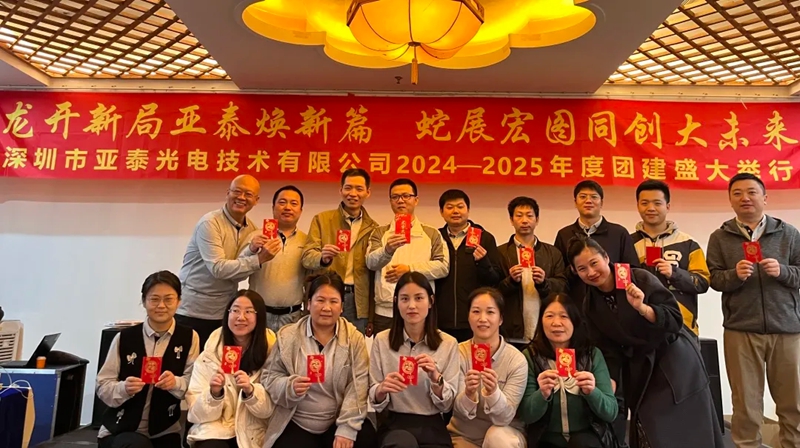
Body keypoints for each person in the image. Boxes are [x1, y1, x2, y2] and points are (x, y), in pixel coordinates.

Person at [567, 237, 723, 448]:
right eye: (582, 269)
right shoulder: (590, 304)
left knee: (686, 425)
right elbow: (607, 349)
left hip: (673, 357)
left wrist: (643, 308)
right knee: (649, 424)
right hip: (640, 364)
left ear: (606, 258)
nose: (591, 272)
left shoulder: (639, 278)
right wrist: (610, 380)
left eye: (594, 263)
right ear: (575, 271)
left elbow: (674, 319)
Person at [706, 173, 800, 448]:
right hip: (740, 329)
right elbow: (714, 279)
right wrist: (734, 275)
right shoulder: (720, 237)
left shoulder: (788, 233)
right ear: (730, 200)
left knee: (792, 402)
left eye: (751, 192)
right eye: (737, 193)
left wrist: (782, 271)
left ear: (765, 198)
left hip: (787, 329)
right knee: (746, 404)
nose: (745, 198)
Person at [262, 272, 376, 448]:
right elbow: (269, 377)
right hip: (296, 419)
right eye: (320, 300)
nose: (326, 308)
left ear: (342, 307)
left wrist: (346, 428)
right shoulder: (288, 336)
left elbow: (358, 385)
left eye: (333, 301)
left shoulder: (354, 339)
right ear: (308, 303)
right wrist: (289, 386)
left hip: (336, 419)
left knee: (366, 437)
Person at [96, 271, 200, 448]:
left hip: (165, 430)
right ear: (144, 301)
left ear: (179, 301)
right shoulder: (125, 337)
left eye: (168, 299)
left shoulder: (190, 337)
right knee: (136, 445)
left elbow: (195, 384)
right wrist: (124, 388)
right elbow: (102, 385)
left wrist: (175, 383)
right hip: (121, 429)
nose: (161, 306)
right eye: (154, 299)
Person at [177, 175, 271, 346]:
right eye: (237, 191)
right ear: (228, 193)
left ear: (256, 200)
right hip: (193, 310)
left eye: (248, 194)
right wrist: (257, 259)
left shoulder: (252, 229)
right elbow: (218, 269)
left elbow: (238, 274)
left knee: (223, 361)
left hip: (224, 313)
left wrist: (252, 252)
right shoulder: (210, 223)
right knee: (192, 361)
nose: (241, 197)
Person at [370, 272, 460, 448]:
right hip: (394, 423)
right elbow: (375, 399)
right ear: (396, 302)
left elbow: (448, 405)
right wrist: (381, 389)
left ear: (431, 301)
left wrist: (436, 378)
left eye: (419, 298)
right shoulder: (381, 341)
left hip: (432, 424)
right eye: (405, 299)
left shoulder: (448, 343)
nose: (412, 306)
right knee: (403, 444)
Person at [518, 293, 617, 448]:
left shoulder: (592, 354)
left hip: (587, 437)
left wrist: (592, 392)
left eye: (564, 316)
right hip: (546, 438)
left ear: (575, 321)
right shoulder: (530, 356)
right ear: (541, 321)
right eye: (549, 316)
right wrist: (542, 394)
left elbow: (611, 412)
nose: (556, 323)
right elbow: (526, 415)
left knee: (582, 444)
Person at [186, 290, 277, 448]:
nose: (241, 317)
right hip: (216, 428)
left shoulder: (271, 351)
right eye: (235, 310)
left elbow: (269, 411)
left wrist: (251, 391)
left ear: (260, 317)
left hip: (254, 429)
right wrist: (214, 394)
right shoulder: (210, 354)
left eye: (248, 311)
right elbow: (195, 414)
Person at [302, 168, 379, 335]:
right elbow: (307, 257)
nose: (353, 193)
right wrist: (322, 258)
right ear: (341, 190)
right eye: (348, 188)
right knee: (320, 343)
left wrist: (371, 316)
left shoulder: (374, 228)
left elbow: (374, 275)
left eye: (359, 189)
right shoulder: (322, 220)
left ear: (368, 192)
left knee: (352, 345)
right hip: (326, 294)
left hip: (357, 300)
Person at [367, 178, 449, 335]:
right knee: (385, 350)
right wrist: (387, 250)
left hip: (420, 310)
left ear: (416, 200)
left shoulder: (431, 233)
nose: (401, 201)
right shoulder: (379, 232)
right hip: (386, 311)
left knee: (421, 350)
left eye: (406, 196)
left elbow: (443, 266)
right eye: (395, 197)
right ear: (390, 201)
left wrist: (410, 270)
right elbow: (370, 263)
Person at [448, 288, 527, 448]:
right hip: (464, 435)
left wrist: (493, 393)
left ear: (501, 319)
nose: (482, 319)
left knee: (497, 436)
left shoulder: (516, 360)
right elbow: (457, 411)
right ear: (468, 316)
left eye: (490, 312)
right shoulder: (457, 353)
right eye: (476, 311)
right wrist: (468, 394)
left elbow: (505, 418)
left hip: (505, 434)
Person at [631, 180, 710, 336]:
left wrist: (674, 273)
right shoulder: (627, 243)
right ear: (638, 206)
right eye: (645, 203)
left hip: (682, 327)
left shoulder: (688, 244)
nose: (651, 208)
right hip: (640, 324)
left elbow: (703, 282)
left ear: (667, 206)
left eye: (657, 203)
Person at [554, 180, 639, 304]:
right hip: (576, 304)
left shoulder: (619, 233)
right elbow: (559, 276)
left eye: (594, 197)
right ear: (575, 202)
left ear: (601, 203)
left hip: (613, 303)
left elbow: (631, 269)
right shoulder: (564, 234)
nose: (588, 201)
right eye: (583, 197)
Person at [497, 196, 568, 342]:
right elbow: (493, 291)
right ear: (511, 220)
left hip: (545, 328)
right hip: (511, 330)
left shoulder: (553, 253)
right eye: (519, 216)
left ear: (537, 219)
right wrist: (510, 281)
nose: (524, 220)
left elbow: (563, 286)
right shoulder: (500, 253)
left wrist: (544, 282)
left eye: (529, 216)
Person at [436, 189, 503, 342]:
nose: (455, 211)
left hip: (475, 319)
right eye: (450, 207)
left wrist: (483, 262)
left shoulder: (484, 238)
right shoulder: (436, 238)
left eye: (460, 206)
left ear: (468, 210)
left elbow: (495, 280)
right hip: (441, 319)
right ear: (441, 212)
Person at [240, 185, 308, 332]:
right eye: (282, 202)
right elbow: (238, 270)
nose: (287, 207)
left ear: (301, 210)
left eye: (294, 203)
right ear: (273, 207)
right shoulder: (256, 236)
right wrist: (251, 249)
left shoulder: (307, 241)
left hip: (292, 316)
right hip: (259, 314)